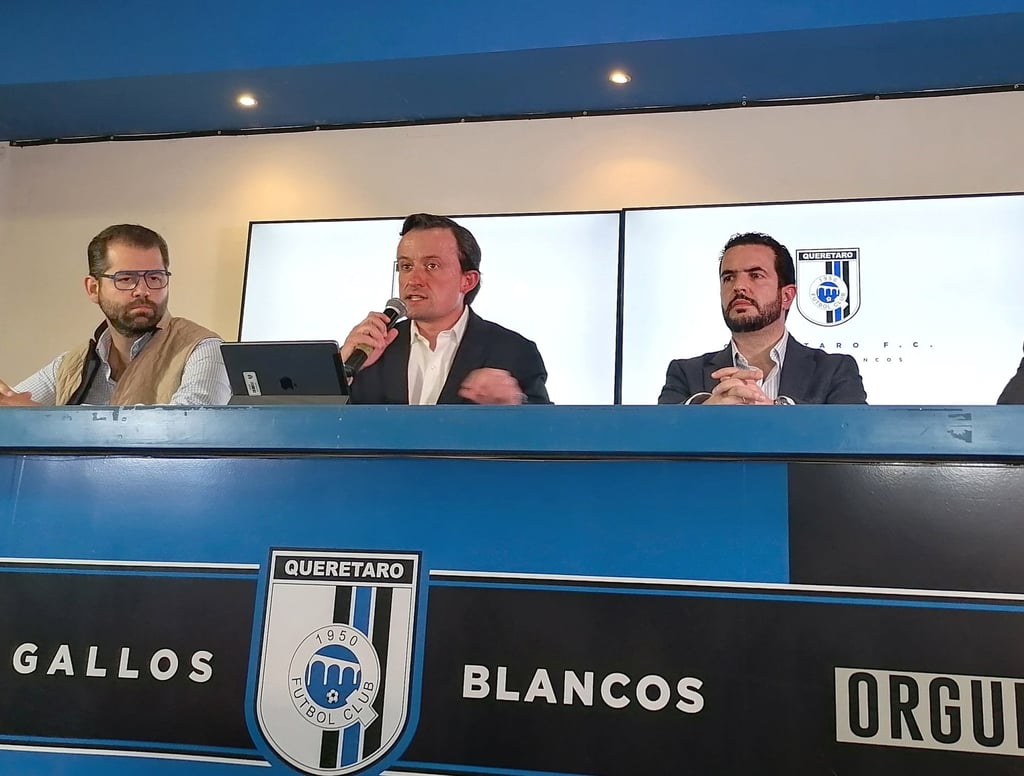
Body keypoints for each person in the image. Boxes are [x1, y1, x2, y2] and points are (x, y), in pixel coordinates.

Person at [0, 224, 230, 407]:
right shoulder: (70, 365)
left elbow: (186, 431)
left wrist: (48, 421)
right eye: (126, 278)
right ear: (93, 288)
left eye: (155, 277)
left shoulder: (202, 349)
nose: (143, 290)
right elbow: (13, 407)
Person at [341, 213, 550, 405]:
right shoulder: (370, 348)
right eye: (406, 266)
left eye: (431, 266)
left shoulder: (513, 351)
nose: (413, 280)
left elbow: (548, 432)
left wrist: (515, 404)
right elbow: (323, 425)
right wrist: (341, 370)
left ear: (467, 281)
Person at [658, 232, 867, 405]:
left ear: (786, 296)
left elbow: (855, 440)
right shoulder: (685, 374)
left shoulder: (834, 371)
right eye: (728, 278)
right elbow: (659, 439)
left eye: (755, 275)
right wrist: (703, 415)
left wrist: (775, 415)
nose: (738, 286)